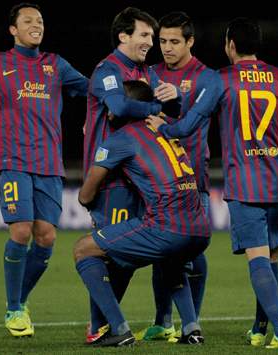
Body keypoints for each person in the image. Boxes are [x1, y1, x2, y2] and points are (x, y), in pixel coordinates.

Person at [147, 17, 278, 349]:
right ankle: (260, 329)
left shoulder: (220, 80)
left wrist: (163, 128)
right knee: (271, 256)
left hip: (245, 182)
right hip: (277, 180)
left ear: (230, 45)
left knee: (257, 257)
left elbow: (189, 124)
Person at [0, 3, 88, 338]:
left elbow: (93, 88)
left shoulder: (56, 65)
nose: (36, 25)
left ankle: (20, 302)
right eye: (28, 21)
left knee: (47, 237)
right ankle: (12, 309)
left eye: (40, 20)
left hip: (49, 164)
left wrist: (125, 85)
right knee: (21, 231)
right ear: (13, 29)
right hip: (13, 162)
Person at [75, 80, 210, 347]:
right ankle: (192, 329)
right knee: (171, 260)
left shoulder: (121, 139)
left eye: (113, 102)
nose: (108, 109)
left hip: (166, 226)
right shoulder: (165, 127)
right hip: (200, 227)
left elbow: (85, 195)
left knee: (83, 249)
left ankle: (119, 329)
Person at [82, 7, 181, 343]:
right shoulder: (107, 70)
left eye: (151, 37)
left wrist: (174, 98)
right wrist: (157, 107)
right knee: (109, 252)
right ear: (123, 35)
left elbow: (171, 110)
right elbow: (121, 108)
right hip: (111, 177)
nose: (150, 42)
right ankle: (100, 327)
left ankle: (106, 325)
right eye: (144, 35)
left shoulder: (145, 71)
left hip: (141, 175)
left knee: (124, 254)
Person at [136, 11, 217, 341]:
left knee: (192, 254)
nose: (166, 48)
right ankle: (163, 320)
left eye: (174, 42)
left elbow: (193, 123)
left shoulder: (207, 77)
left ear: (190, 42)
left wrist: (169, 117)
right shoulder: (150, 73)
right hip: (154, 181)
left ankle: (191, 321)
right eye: (162, 41)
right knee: (161, 253)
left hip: (193, 177)